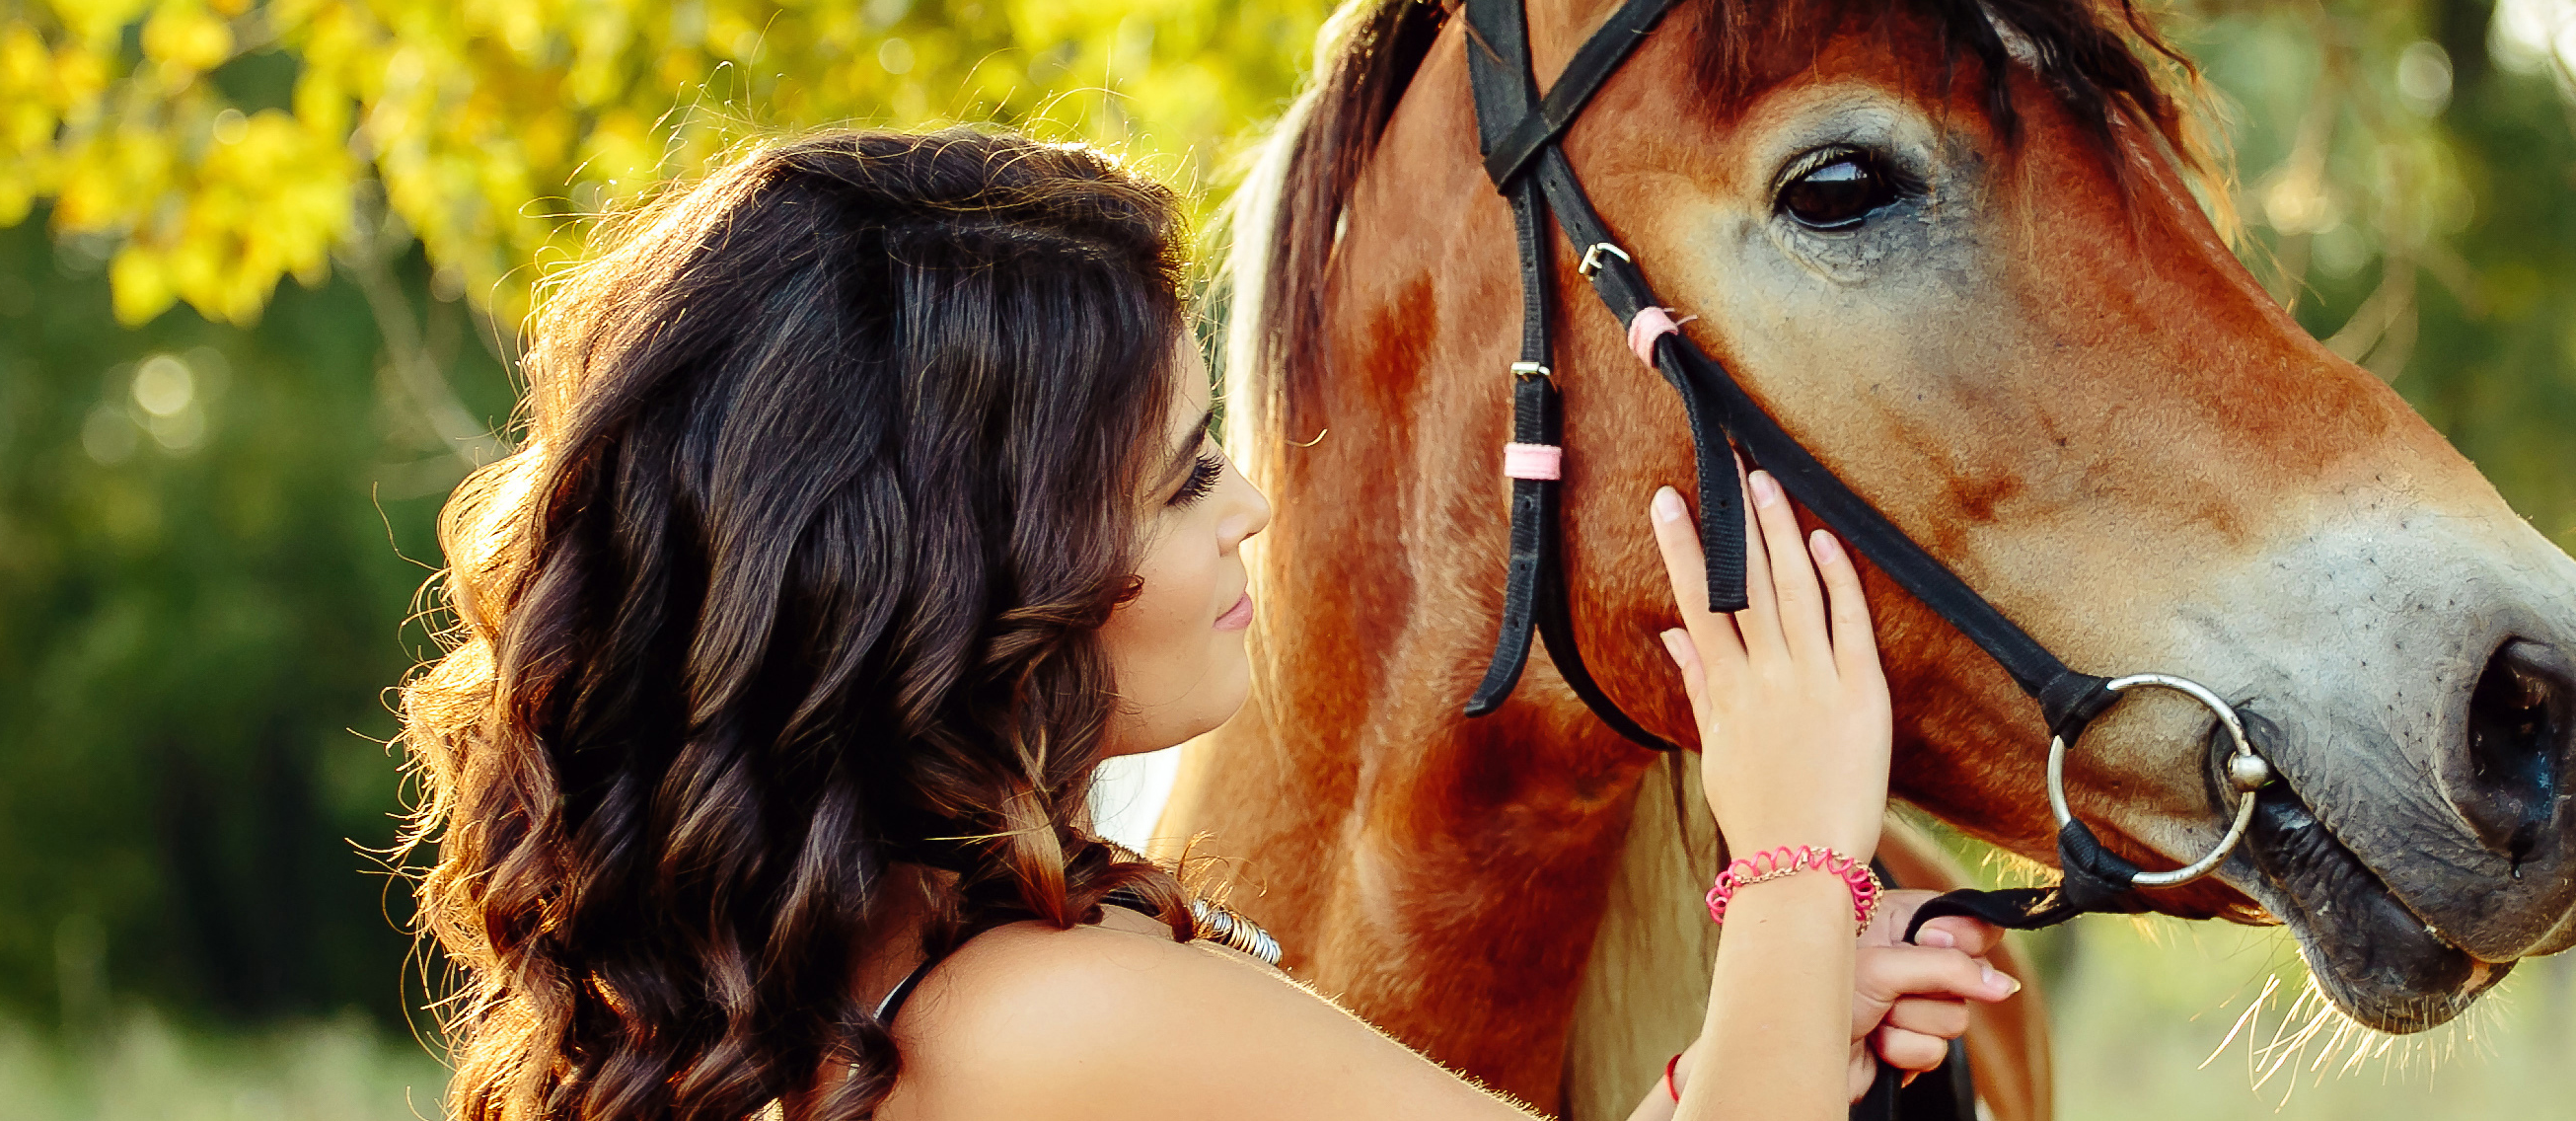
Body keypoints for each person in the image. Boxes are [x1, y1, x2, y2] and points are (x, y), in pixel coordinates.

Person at [395, 127, 2014, 1121]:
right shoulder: (1050, 1013)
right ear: (972, 588)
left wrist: (1778, 1028)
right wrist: (1794, 854)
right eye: (1179, 480)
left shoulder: (877, 1000)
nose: (1247, 506)